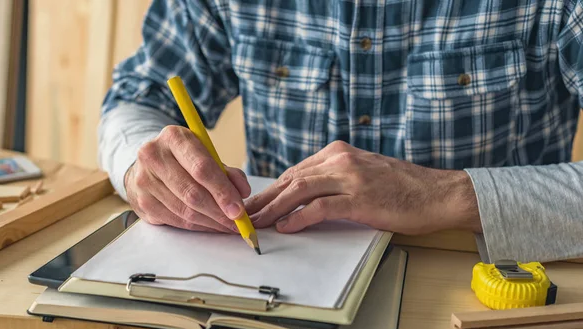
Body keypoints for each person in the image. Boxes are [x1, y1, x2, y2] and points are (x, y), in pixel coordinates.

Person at [98, 0, 583, 264]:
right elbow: (137, 97)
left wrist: (447, 195)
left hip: (486, 288)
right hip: (279, 287)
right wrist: (141, 165)